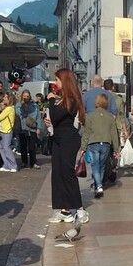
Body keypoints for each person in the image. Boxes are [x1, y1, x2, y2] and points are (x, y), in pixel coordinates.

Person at [45, 68, 88, 224]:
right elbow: (55, 118)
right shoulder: (62, 98)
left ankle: (80, 209)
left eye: (57, 80)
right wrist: (48, 121)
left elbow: (56, 115)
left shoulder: (71, 99)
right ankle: (64, 210)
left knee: (68, 173)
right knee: (58, 174)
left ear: (64, 81)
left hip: (68, 140)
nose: (55, 83)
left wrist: (51, 100)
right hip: (58, 139)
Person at [80, 92, 120, 197]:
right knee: (101, 166)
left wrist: (83, 147)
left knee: (95, 165)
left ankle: (98, 186)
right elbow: (114, 134)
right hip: (106, 144)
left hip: (93, 143)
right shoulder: (110, 117)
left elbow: (86, 133)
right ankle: (99, 185)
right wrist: (116, 149)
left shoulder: (90, 116)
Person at [0, 91, 18, 172]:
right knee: (1, 148)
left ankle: (13, 165)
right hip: (2, 130)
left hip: (7, 131)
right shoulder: (7, 108)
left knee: (6, 148)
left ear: (9, 99)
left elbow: (0, 117)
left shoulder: (9, 109)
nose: (4, 98)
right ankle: (6, 165)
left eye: (6, 97)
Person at [17, 89, 42, 168]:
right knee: (23, 146)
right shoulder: (19, 105)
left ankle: (33, 162)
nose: (26, 97)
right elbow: (16, 113)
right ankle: (24, 161)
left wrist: (39, 128)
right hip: (22, 127)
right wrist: (19, 103)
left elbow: (38, 117)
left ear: (30, 96)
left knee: (32, 146)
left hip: (32, 127)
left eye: (27, 96)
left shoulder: (34, 105)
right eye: (24, 96)